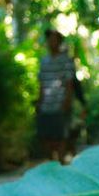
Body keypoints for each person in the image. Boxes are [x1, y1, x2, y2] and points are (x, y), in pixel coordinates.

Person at [36, 28, 79, 163]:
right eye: (50, 40)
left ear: (59, 42)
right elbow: (42, 83)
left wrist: (67, 101)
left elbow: (69, 83)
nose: (51, 42)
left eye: (54, 40)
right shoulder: (44, 61)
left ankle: (61, 162)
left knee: (61, 135)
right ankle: (51, 162)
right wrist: (39, 101)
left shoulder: (66, 60)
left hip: (60, 104)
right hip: (46, 105)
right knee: (45, 136)